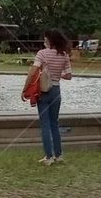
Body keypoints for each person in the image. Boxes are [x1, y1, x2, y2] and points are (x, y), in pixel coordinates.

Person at [23, 28, 72, 164]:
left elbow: (33, 72)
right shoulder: (64, 55)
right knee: (54, 123)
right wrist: (56, 75)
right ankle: (59, 154)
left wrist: (25, 89)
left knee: (45, 124)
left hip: (43, 91)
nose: (44, 40)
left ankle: (48, 156)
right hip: (56, 90)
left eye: (45, 38)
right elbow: (68, 75)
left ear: (50, 40)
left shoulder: (42, 54)